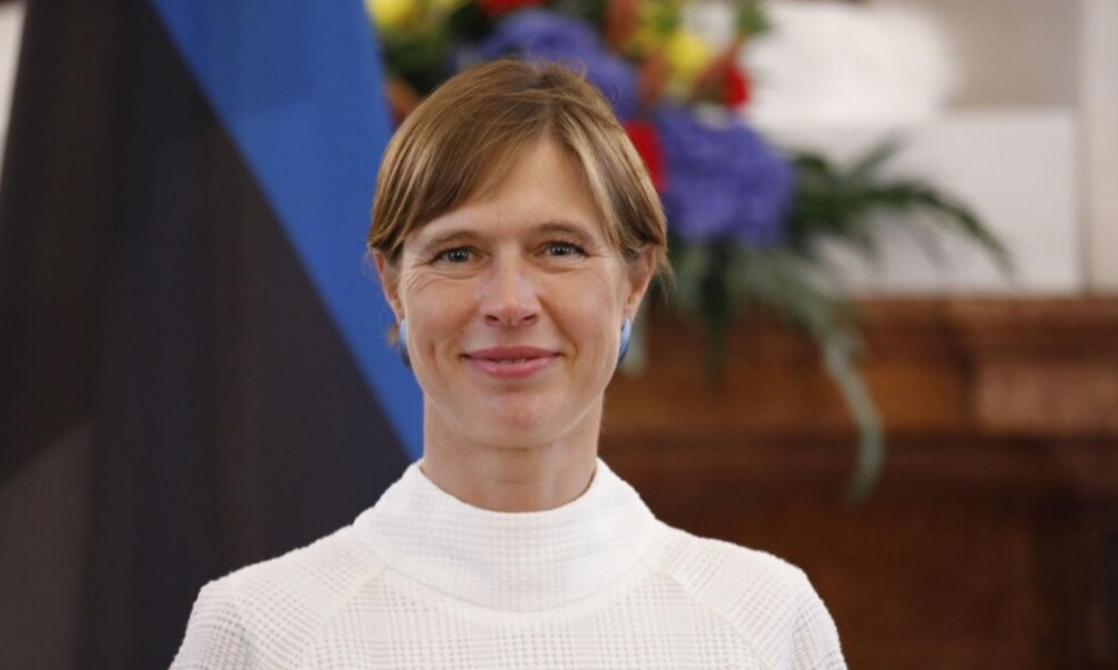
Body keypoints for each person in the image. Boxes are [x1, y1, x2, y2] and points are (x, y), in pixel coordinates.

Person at [170, 58, 846, 669]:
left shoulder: (763, 625)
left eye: (559, 249)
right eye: (458, 254)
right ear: (392, 285)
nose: (510, 303)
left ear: (635, 281)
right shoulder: (263, 632)